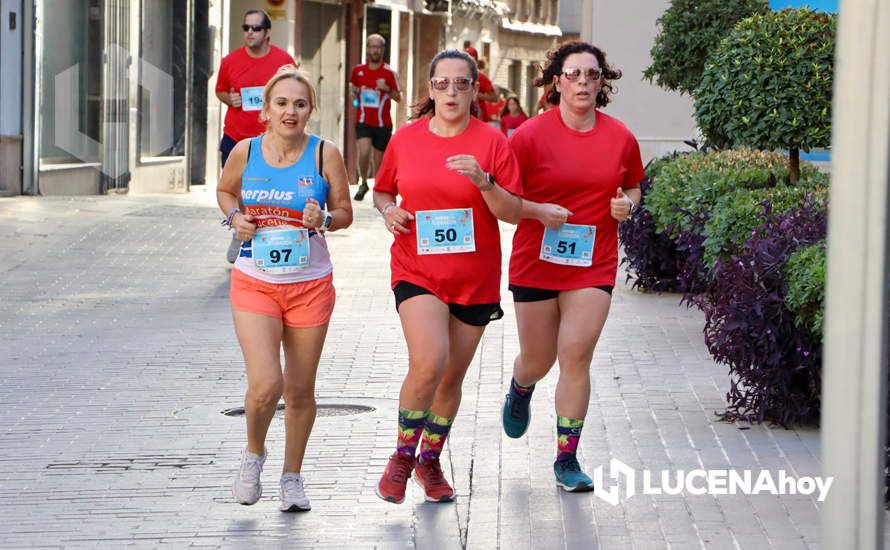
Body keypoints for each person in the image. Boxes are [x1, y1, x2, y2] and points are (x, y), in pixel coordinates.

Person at [372, 50, 523, 504]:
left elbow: (513, 211)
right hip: (417, 269)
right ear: (430, 89)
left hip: (474, 278)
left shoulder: (493, 142)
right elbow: (382, 190)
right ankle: (401, 456)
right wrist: (388, 210)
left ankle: (429, 459)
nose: (451, 92)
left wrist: (485, 183)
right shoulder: (406, 139)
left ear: (475, 90)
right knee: (429, 361)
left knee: (451, 378)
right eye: (442, 83)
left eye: (461, 84)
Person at [502, 41, 645, 492]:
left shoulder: (620, 136)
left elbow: (633, 188)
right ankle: (521, 386)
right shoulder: (527, 136)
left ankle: (567, 458)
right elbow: (504, 201)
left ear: (602, 82)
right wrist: (537, 210)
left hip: (593, 262)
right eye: (574, 73)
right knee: (539, 360)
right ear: (557, 81)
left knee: (576, 353)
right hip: (536, 261)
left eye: (592, 74)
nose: (583, 81)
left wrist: (627, 205)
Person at [217, 65, 353, 512]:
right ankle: (254, 454)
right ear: (266, 110)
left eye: (299, 104)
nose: (290, 111)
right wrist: (234, 218)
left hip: (310, 284)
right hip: (256, 280)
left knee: (298, 390)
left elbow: (346, 212)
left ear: (310, 110)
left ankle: (292, 476)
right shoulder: (245, 150)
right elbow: (225, 191)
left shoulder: (324, 154)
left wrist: (325, 219)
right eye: (281, 103)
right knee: (265, 384)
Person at [216, 9, 297, 263]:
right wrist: (229, 98)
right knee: (238, 190)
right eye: (246, 28)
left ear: (267, 32)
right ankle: (240, 228)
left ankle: (268, 238)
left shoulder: (283, 61)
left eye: (256, 28)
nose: (249, 33)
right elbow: (220, 91)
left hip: (271, 140)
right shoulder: (230, 61)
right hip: (236, 137)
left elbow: (295, 91)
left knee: (268, 193)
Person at [350, 33, 402, 201]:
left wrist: (386, 88)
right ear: (367, 49)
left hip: (382, 123)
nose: (375, 50)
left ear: (382, 50)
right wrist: (355, 94)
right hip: (363, 120)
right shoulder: (358, 71)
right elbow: (353, 88)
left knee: (378, 161)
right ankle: (363, 182)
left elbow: (398, 97)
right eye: (372, 46)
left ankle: (378, 190)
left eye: (378, 47)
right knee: (364, 152)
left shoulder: (389, 73)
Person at [464, 47, 499, 123]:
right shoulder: (457, 76)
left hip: (478, 118)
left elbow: (494, 98)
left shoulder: (480, 77)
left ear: (476, 62)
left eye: (471, 60)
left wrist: (476, 94)